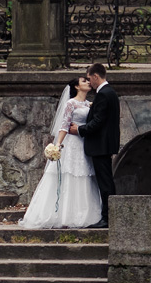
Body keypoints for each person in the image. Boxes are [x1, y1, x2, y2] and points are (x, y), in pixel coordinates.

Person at [18, 76, 102, 230]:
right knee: (70, 174)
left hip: (83, 142)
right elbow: (64, 125)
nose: (88, 82)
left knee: (83, 175)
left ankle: (83, 213)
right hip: (72, 143)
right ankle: (63, 215)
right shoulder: (71, 104)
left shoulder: (87, 104)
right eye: (84, 81)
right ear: (76, 87)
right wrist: (57, 145)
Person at [75, 63, 119, 229]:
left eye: (89, 78)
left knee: (105, 182)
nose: (89, 82)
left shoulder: (103, 95)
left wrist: (79, 129)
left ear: (95, 76)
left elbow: (98, 122)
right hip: (106, 144)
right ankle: (110, 215)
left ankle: (107, 218)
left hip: (101, 145)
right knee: (107, 180)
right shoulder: (111, 93)